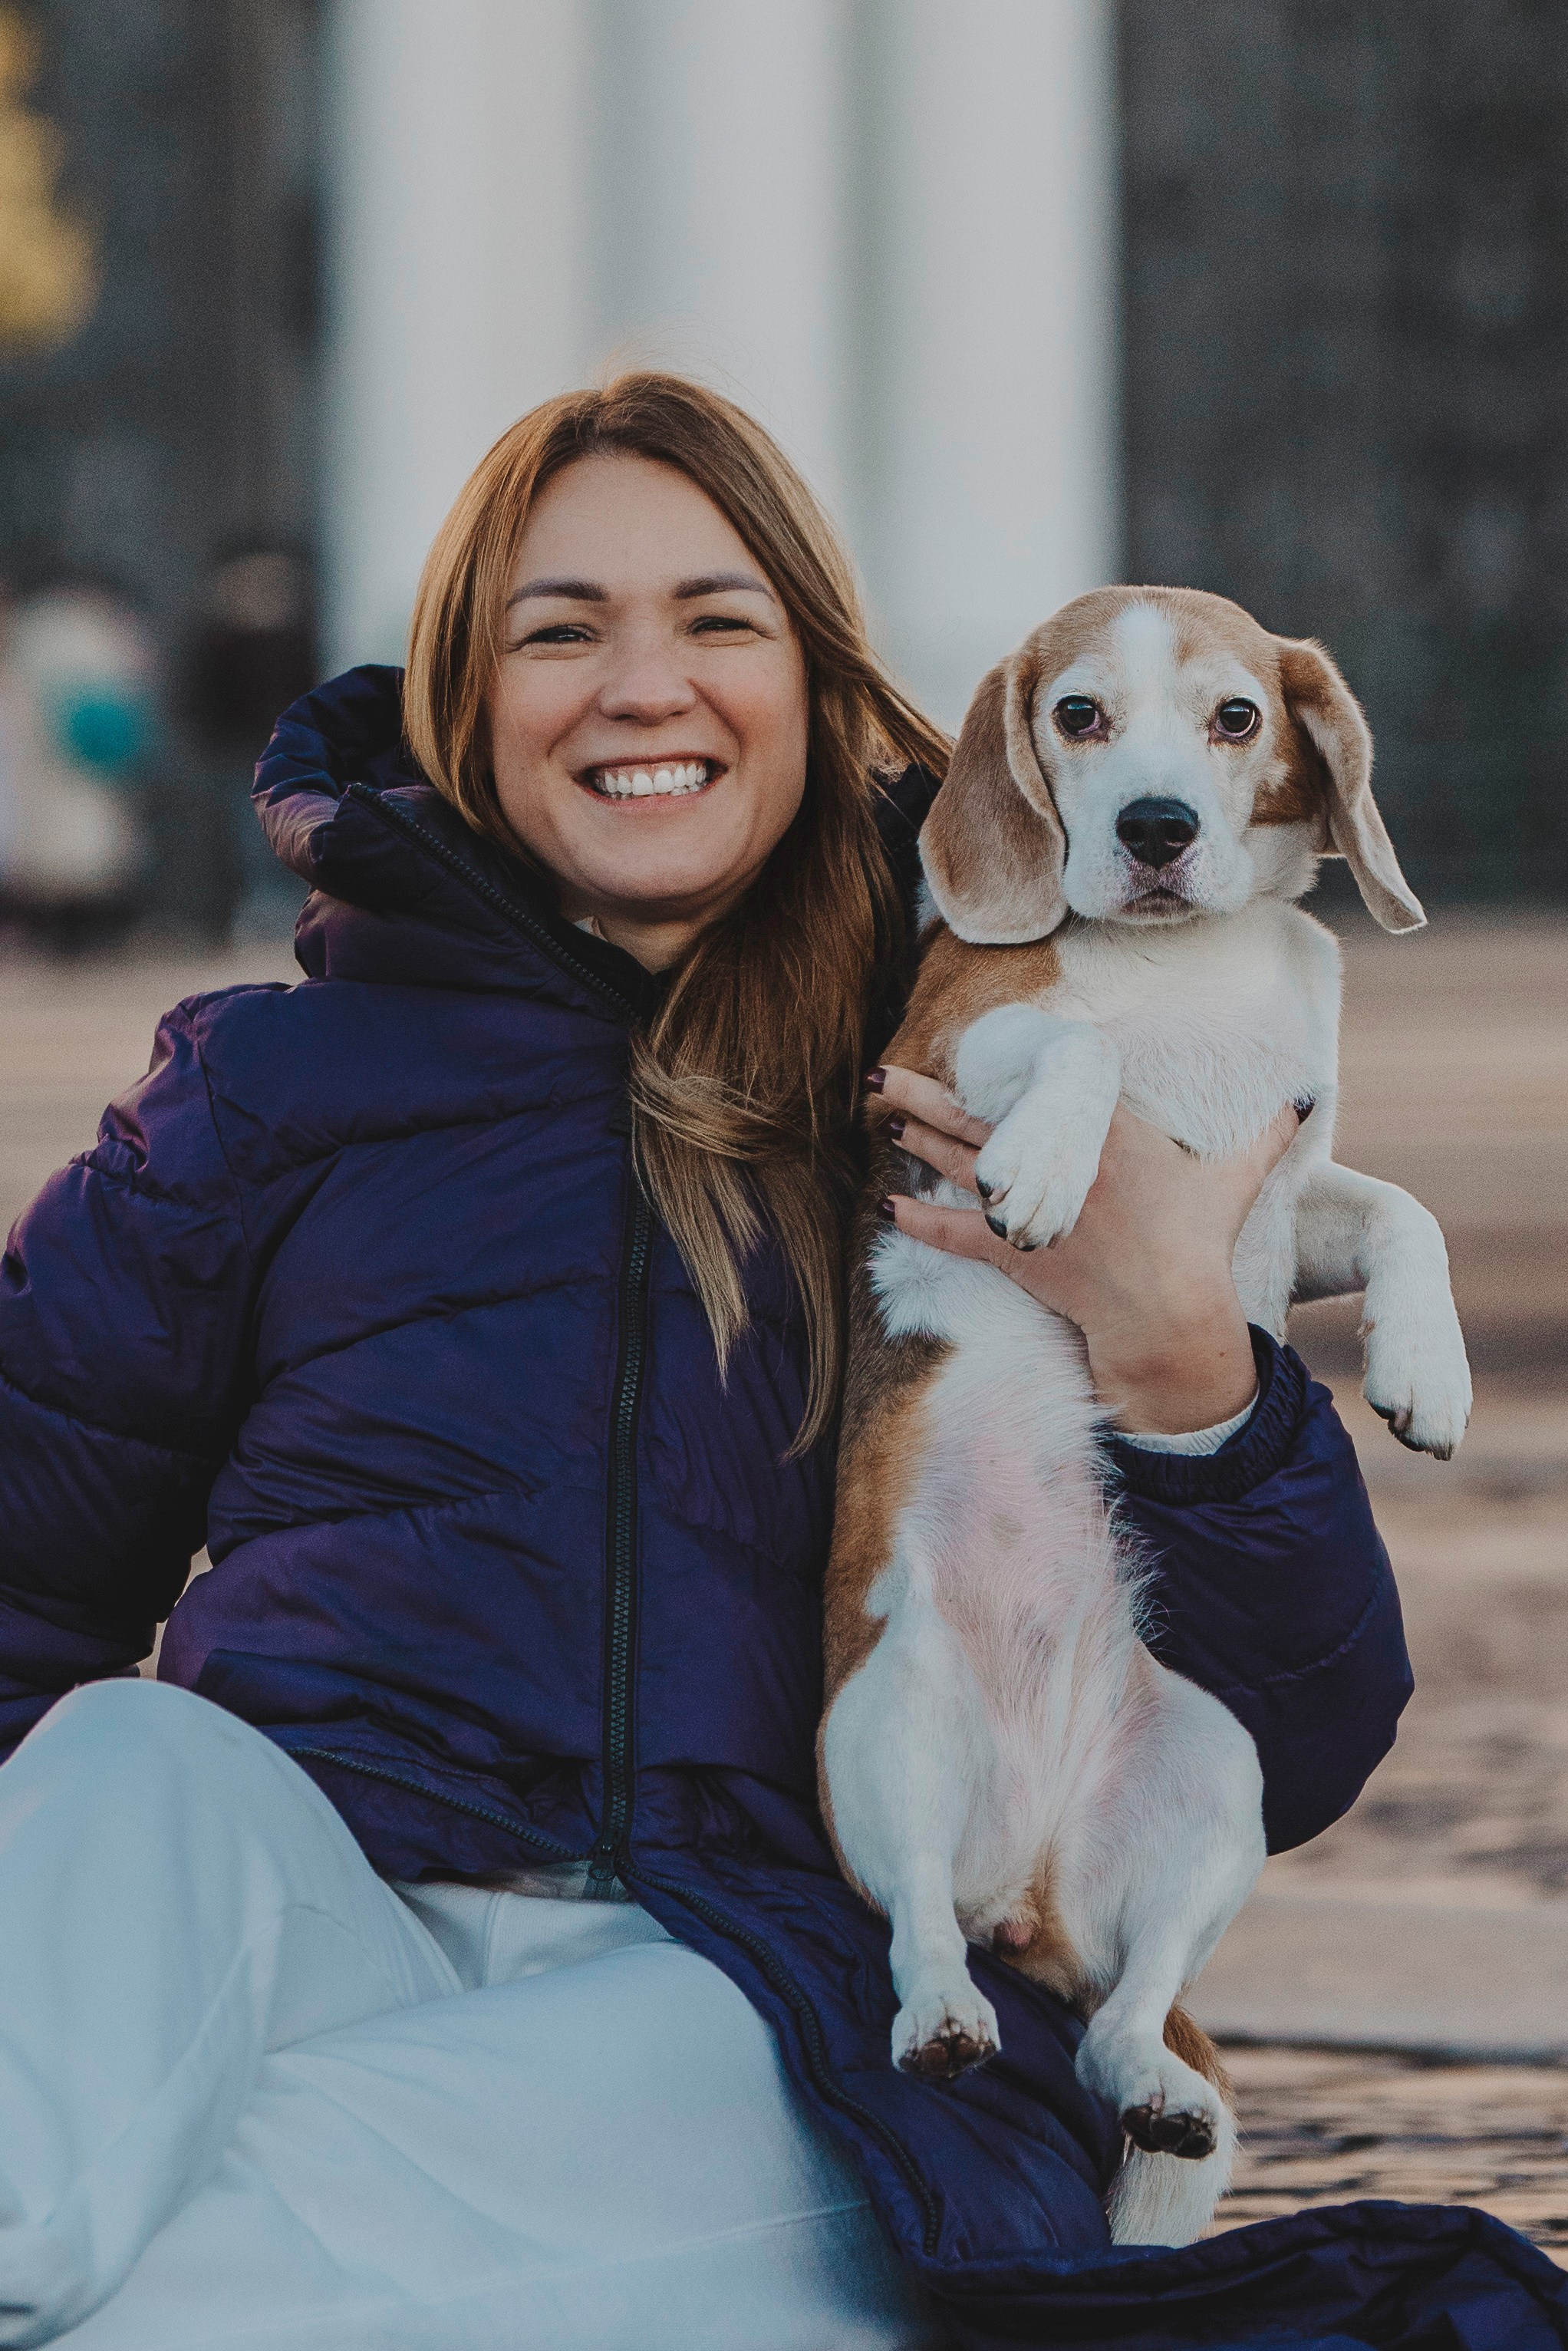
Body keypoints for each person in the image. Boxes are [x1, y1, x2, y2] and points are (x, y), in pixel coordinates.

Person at [0, 377, 1554, 2351]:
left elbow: (1297, 1732)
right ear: (465, 701)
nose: (641, 685)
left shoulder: (996, 1087)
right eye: (560, 629)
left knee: (263, 2230)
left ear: (817, 681)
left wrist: (1177, 1356)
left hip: (781, 2003)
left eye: (715, 620)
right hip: (328, 1908)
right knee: (132, 1759)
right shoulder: (261, 1091)